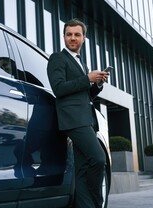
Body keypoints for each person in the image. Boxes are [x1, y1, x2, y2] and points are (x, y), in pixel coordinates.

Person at [47, 18, 109, 208]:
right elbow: (58, 88)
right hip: (73, 120)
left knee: (81, 170)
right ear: (64, 37)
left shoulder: (81, 63)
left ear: (83, 38)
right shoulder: (57, 58)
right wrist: (87, 78)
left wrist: (96, 85)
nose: (72, 38)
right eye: (69, 34)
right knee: (98, 159)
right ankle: (97, 202)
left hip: (85, 118)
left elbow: (85, 95)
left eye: (77, 35)